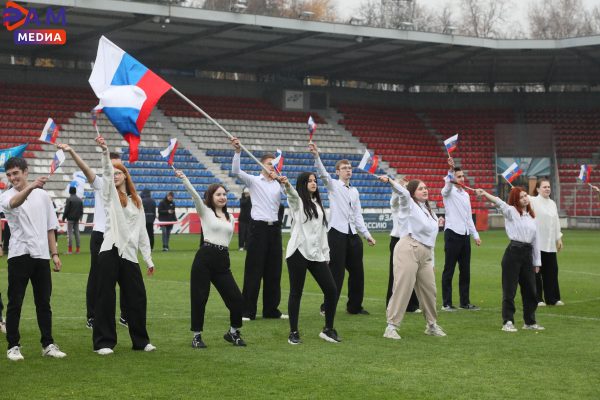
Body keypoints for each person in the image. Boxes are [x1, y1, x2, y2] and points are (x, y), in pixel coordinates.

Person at [92, 136, 156, 355]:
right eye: (114, 172)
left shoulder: (136, 201)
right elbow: (106, 174)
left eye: (120, 172)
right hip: (110, 249)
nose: (116, 174)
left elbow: (142, 234)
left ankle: (141, 341)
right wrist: (104, 151)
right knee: (106, 297)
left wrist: (148, 259)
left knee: (137, 297)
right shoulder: (108, 194)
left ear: (126, 176)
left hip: (129, 254)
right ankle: (104, 343)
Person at [0, 156, 66, 361]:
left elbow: (49, 227)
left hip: (41, 256)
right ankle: (13, 346)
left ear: (25, 171)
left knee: (43, 302)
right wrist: (31, 188)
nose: (12, 178)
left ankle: (48, 344)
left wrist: (54, 254)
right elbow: (13, 203)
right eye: (9, 174)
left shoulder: (43, 196)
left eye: (16, 173)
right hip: (19, 255)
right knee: (15, 302)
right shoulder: (6, 195)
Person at [57, 143, 128, 329]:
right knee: (97, 277)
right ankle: (92, 315)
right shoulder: (100, 183)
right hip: (101, 235)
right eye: (112, 167)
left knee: (126, 275)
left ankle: (125, 314)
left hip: (121, 237)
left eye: (119, 167)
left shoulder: (127, 189)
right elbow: (84, 168)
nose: (115, 171)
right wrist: (72, 151)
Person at [175, 170, 246, 348]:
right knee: (200, 298)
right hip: (205, 258)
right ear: (211, 196)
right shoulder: (205, 211)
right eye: (218, 194)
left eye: (224, 194)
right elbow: (195, 196)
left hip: (222, 260)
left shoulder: (230, 217)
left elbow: (227, 240)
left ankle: (233, 332)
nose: (222, 197)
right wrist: (185, 179)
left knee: (236, 299)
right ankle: (196, 336)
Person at [309, 143, 376, 315]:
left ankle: (355, 307)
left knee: (357, 274)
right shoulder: (333, 185)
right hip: (337, 234)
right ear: (338, 172)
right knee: (336, 274)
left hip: (353, 235)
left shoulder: (354, 191)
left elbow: (358, 215)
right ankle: (327, 306)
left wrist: (367, 235)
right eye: (344, 168)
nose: (348, 170)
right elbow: (323, 174)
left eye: (349, 168)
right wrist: (317, 156)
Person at [381, 176, 446, 340]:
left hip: (426, 253)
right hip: (408, 248)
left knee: (430, 291)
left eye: (426, 188)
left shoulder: (429, 211)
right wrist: (390, 181)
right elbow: (402, 193)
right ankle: (391, 327)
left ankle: (431, 325)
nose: (425, 190)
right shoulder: (408, 203)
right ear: (412, 192)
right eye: (420, 188)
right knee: (403, 287)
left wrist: (432, 261)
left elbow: (432, 240)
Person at [230, 137, 287, 320]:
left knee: (274, 271)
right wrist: (238, 152)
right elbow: (236, 171)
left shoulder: (279, 184)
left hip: (274, 230)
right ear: (261, 165)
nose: (272, 166)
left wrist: (284, 183)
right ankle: (248, 310)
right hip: (258, 229)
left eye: (274, 164)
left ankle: (271, 310)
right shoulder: (254, 181)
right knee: (254, 271)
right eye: (270, 164)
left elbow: (292, 196)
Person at [281, 172, 340, 345]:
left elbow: (323, 232)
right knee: (296, 292)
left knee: (331, 290)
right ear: (303, 184)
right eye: (309, 181)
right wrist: (286, 184)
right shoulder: (298, 202)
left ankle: (328, 329)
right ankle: (293, 332)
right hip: (298, 252)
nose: (313, 183)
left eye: (315, 181)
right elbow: (291, 195)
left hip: (316, 254)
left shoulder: (319, 205)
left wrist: (326, 254)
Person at [476, 187, 544, 332]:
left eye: (526, 195)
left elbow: (536, 240)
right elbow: (499, 202)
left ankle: (530, 322)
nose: (525, 198)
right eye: (521, 197)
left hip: (527, 254)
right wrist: (485, 193)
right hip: (513, 253)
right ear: (515, 200)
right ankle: (508, 322)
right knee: (509, 290)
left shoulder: (532, 216)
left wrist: (537, 262)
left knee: (531, 290)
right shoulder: (511, 212)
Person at [441, 158, 481, 311]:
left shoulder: (466, 195)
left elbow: (468, 217)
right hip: (452, 234)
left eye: (463, 176)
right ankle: (447, 303)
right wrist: (450, 172)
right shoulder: (448, 192)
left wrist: (475, 235)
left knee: (465, 270)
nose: (462, 178)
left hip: (464, 236)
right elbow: (446, 188)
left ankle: (465, 302)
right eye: (459, 176)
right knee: (449, 269)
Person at [385, 178, 420, 313]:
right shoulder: (395, 204)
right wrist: (396, 187)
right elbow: (395, 199)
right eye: (402, 186)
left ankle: (412, 304)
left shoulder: (412, 205)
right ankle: (392, 303)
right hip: (397, 240)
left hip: (411, 240)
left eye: (405, 186)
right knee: (395, 274)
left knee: (411, 273)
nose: (403, 188)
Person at [529, 178, 564, 307]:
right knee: (537, 272)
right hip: (537, 244)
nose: (547, 189)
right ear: (538, 189)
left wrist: (558, 238)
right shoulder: (532, 201)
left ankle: (553, 298)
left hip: (550, 245)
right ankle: (538, 299)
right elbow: (521, 198)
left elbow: (556, 222)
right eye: (544, 187)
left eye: (548, 187)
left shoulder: (553, 203)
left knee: (552, 271)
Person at [63, 185, 84, 254]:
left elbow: (66, 209)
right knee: (77, 233)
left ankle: (70, 250)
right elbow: (81, 210)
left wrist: (63, 217)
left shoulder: (69, 199)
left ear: (70, 191)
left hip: (70, 219)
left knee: (70, 234)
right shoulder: (79, 199)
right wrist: (80, 218)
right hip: (77, 218)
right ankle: (78, 250)